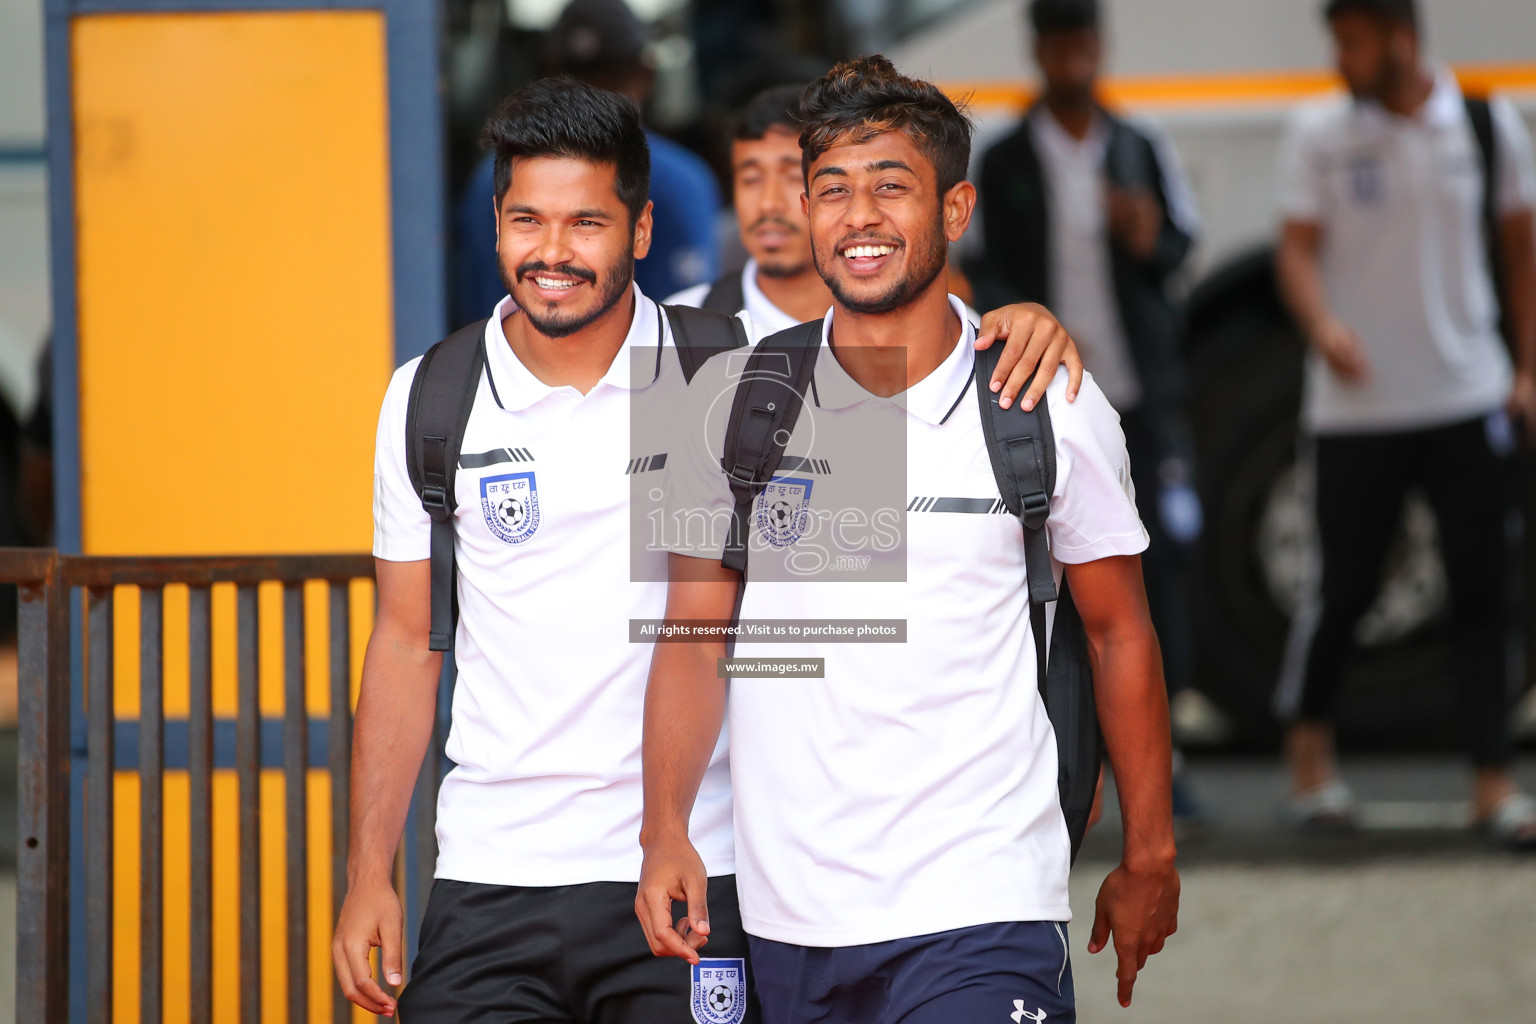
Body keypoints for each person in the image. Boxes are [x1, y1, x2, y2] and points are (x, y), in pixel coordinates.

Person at [334, 74, 1087, 1021]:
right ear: (494, 224)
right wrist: (371, 873)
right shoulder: (428, 398)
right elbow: (406, 643)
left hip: (703, 873)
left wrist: (1014, 325)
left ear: (642, 232)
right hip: (491, 871)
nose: (553, 252)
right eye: (527, 220)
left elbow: (848, 627)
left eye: (587, 224)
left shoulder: (745, 375)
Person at [638, 56, 1179, 1022]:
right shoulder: (735, 401)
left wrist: (1151, 852)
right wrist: (665, 828)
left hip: (983, 907)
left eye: (892, 185)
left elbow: (1118, 633)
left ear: (956, 209)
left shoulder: (1040, 398)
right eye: (834, 190)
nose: (861, 217)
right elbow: (695, 633)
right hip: (788, 920)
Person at [1273, 0, 1536, 846]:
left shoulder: (1487, 123)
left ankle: (1493, 783)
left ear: (1399, 34)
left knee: (1483, 592)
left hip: (1467, 394)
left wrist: (1526, 369)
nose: (1340, 56)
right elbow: (1296, 250)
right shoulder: (1319, 130)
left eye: (1351, 38)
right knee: (1343, 590)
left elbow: (1520, 246)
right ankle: (1312, 756)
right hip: (1357, 410)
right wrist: (1322, 326)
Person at [974, 0, 1213, 806]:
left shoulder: (1138, 145)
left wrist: (1147, 234)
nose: (1071, 56)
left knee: (1156, 573)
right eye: (1057, 41)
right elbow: (981, 271)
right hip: (1039, 397)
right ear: (1039, 51)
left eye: (1082, 41)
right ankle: (1073, 758)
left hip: (1137, 393)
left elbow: (1183, 250)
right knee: (1055, 576)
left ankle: (1164, 765)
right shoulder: (1005, 159)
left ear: (1097, 49)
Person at [673, 83, 1062, 412]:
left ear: (954, 210)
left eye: (890, 186)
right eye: (751, 177)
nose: (772, 203)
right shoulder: (670, 336)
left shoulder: (970, 349)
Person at [451, 0, 722, 326]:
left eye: (609, 78)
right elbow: (482, 323)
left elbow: (689, 333)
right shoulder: (496, 178)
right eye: (573, 78)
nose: (591, 97)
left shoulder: (679, 181)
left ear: (644, 77)